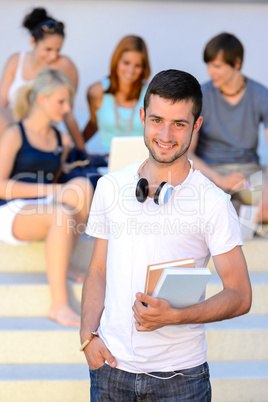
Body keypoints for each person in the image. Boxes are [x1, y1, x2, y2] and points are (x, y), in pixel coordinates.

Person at [80, 69, 252, 401]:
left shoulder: (214, 203)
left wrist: (176, 316)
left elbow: (241, 295)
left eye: (179, 123)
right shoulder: (109, 187)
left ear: (196, 126)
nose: (166, 134)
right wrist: (88, 336)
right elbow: (98, 270)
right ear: (143, 117)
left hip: (181, 379)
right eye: (157, 120)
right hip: (110, 370)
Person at [0, 68, 94, 327]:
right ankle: (59, 305)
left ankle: (66, 259)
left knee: (83, 187)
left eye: (69, 103)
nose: (66, 109)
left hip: (41, 207)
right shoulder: (14, 134)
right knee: (61, 213)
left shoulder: (61, 140)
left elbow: (58, 185)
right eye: (61, 102)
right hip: (11, 208)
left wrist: (57, 191)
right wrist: (52, 191)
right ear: (41, 98)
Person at [188, 32, 268, 223]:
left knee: (262, 205)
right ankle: (239, 214)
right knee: (206, 210)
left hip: (248, 179)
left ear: (237, 63)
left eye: (216, 66)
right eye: (208, 65)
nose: (210, 72)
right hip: (210, 174)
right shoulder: (202, 95)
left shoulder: (261, 95)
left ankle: (245, 214)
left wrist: (265, 196)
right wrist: (219, 179)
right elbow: (188, 153)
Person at [0, 7, 86, 151]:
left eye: (58, 50)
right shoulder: (16, 61)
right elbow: (2, 104)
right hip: (13, 129)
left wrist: (82, 150)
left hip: (43, 132)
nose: (53, 56)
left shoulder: (64, 65)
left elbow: (67, 113)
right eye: (48, 49)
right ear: (33, 41)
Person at [83, 35, 151, 155]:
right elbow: (94, 124)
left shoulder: (151, 95)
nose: (130, 70)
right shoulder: (96, 92)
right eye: (126, 62)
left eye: (137, 66)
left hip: (145, 166)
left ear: (144, 67)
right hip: (108, 165)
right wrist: (75, 149)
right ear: (116, 61)